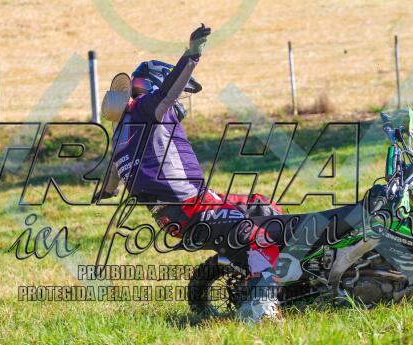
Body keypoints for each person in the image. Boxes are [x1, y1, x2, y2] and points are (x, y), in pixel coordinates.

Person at [99, 24, 283, 322]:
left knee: (262, 206)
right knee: (264, 233)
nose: (179, 101)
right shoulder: (147, 109)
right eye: (179, 95)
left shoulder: (122, 132)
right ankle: (262, 309)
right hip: (193, 207)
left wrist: (107, 192)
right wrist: (193, 54)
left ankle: (261, 275)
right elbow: (170, 90)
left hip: (174, 216)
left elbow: (112, 176)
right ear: (153, 88)